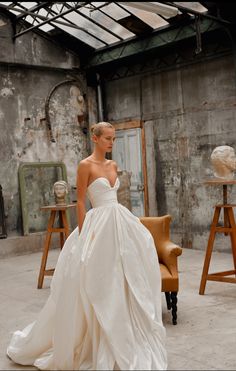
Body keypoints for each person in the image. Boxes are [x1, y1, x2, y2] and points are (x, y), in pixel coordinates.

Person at [7, 122, 167, 370]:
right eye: (108, 139)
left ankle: (125, 331)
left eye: (114, 139)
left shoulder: (113, 165)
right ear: (95, 138)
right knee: (97, 278)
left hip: (118, 221)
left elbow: (114, 197)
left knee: (124, 275)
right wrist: (83, 234)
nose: (112, 143)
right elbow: (80, 201)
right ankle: (94, 335)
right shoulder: (85, 165)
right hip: (97, 224)